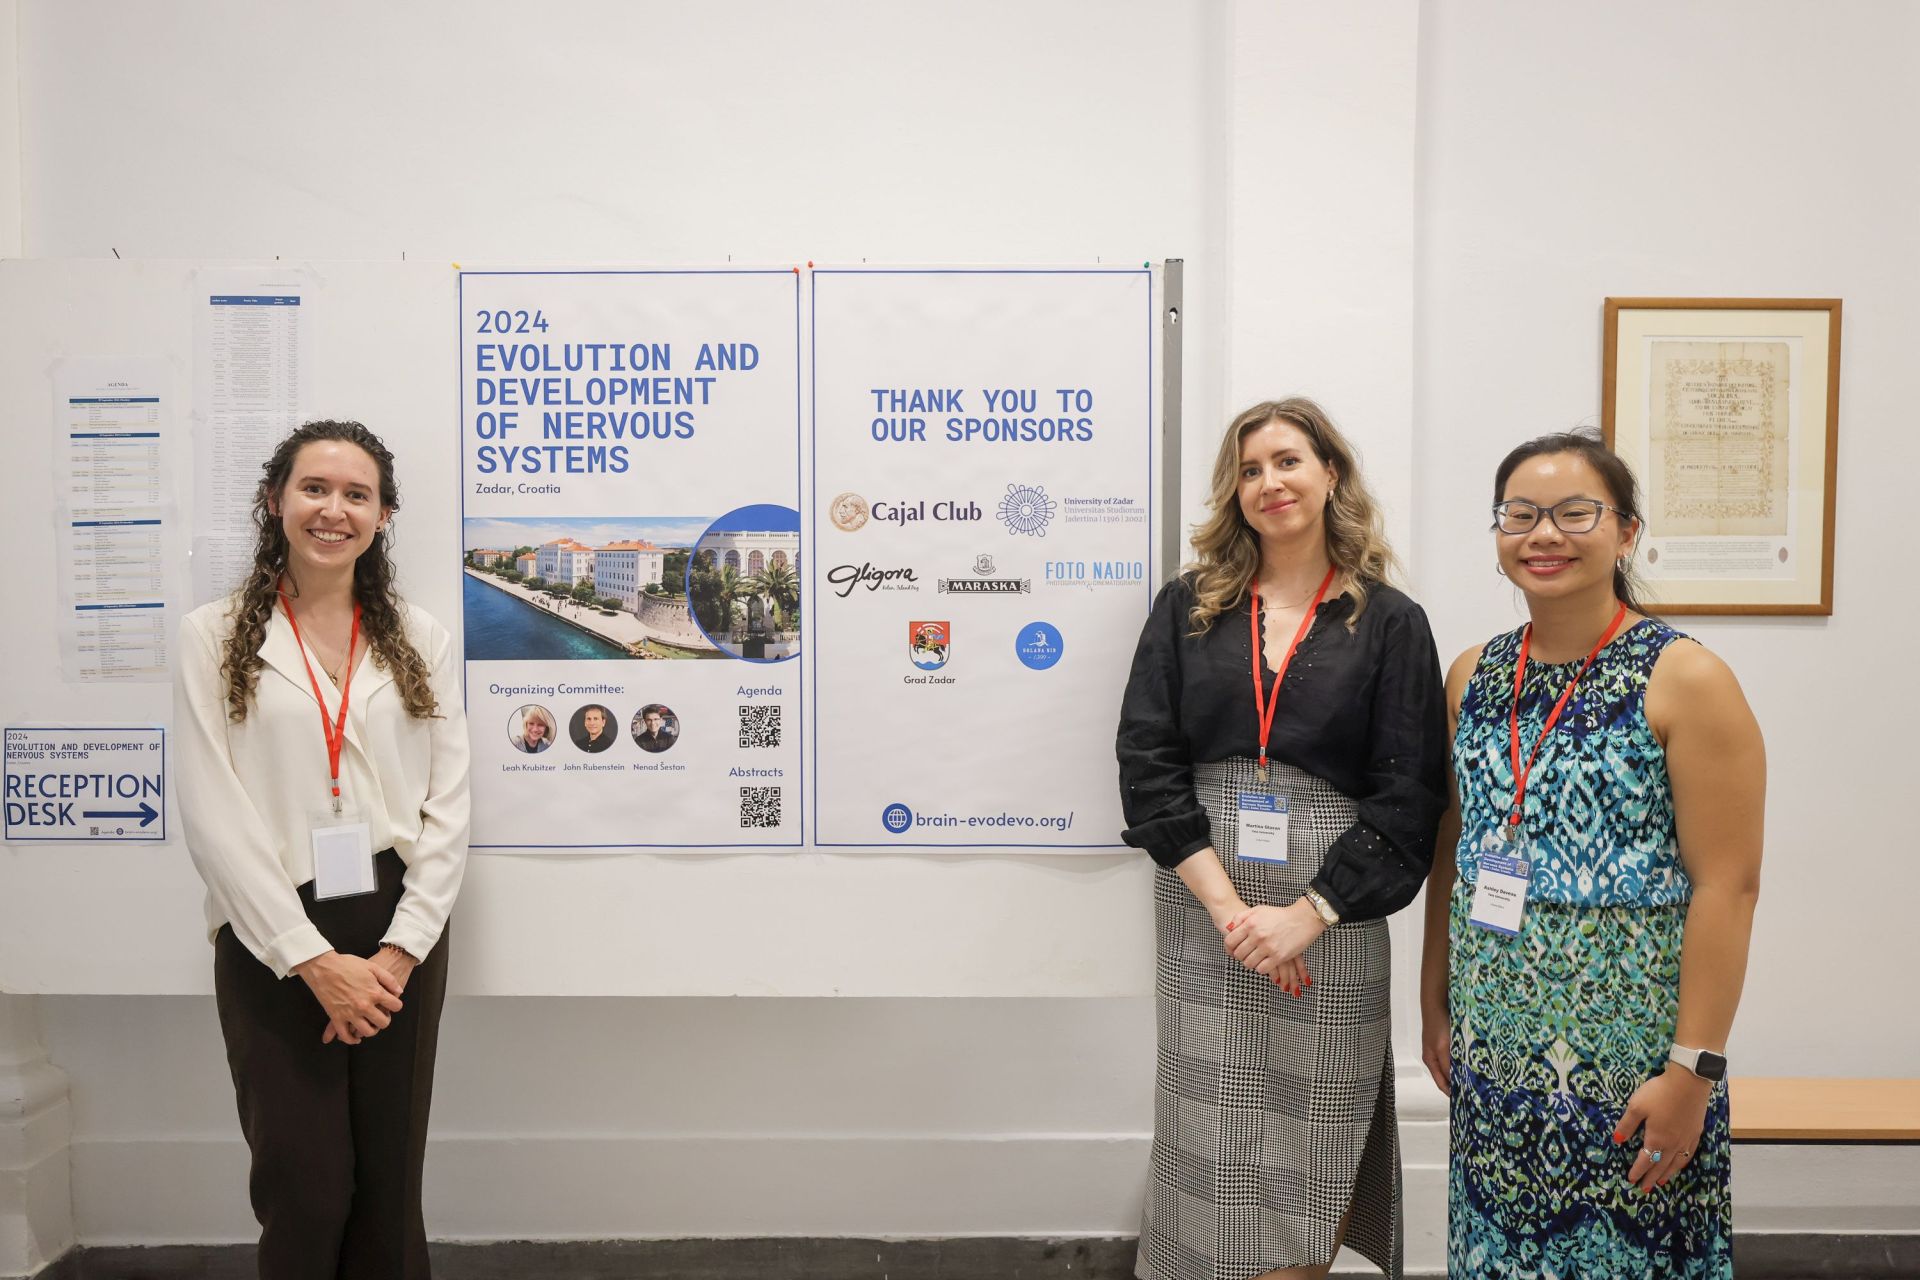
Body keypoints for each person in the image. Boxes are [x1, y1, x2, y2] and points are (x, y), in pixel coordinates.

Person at [1418, 431, 1763, 1279]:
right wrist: (1433, 1001)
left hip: (1631, 1060)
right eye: (1520, 515)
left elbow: (1729, 887)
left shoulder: (1685, 678)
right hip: (1497, 1049)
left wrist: (1693, 1073)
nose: (1544, 534)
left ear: (1627, 532)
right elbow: (1452, 851)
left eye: (1575, 513)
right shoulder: (1473, 674)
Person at [1117, 397, 1447, 1280]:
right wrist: (1236, 917)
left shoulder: (1389, 621)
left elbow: (1410, 793)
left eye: (1288, 461)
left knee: (1314, 1143)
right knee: (1212, 1135)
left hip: (1334, 917)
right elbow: (1147, 763)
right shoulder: (1187, 608)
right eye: (1251, 469)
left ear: (1331, 473)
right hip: (1206, 910)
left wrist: (1308, 915)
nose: (1270, 482)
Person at [175, 420, 469, 1279]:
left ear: (382, 516)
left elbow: (449, 805)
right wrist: (310, 960)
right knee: (303, 1187)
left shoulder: (420, 635)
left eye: (356, 494)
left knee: (389, 1189)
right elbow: (213, 811)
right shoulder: (212, 634)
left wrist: (401, 951)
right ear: (275, 501)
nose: (333, 510)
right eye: (314, 489)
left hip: (399, 928)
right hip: (271, 928)